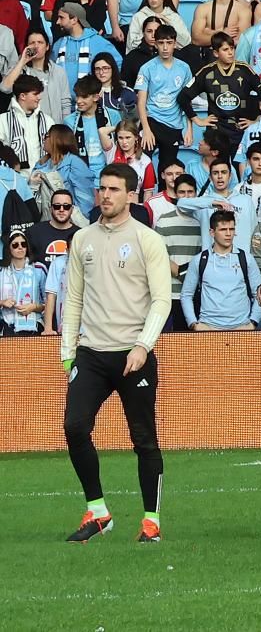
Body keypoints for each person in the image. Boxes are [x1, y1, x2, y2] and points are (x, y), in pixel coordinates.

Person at [59, 163, 171, 543]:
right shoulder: (83, 239)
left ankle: (151, 521)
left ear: (130, 195)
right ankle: (99, 511)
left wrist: (143, 345)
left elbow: (161, 300)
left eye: (113, 189)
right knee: (74, 426)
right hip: (90, 353)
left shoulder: (146, 239)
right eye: (101, 188)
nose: (105, 195)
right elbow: (72, 297)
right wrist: (67, 350)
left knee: (143, 440)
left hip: (132, 353)